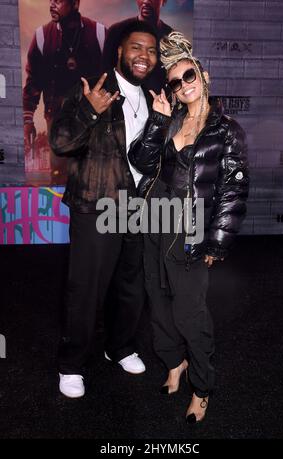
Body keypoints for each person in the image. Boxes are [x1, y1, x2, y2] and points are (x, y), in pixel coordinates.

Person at [129, 31, 249, 423]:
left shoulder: (227, 130)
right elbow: (143, 162)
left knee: (189, 314)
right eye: (176, 82)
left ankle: (203, 386)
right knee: (159, 305)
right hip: (155, 221)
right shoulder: (169, 120)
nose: (183, 86)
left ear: (204, 75)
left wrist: (216, 243)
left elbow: (232, 192)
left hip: (191, 232)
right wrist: (157, 121)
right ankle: (174, 363)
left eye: (189, 77)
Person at [49, 20, 158, 398]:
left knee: (131, 285)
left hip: (138, 204)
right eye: (136, 48)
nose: (143, 56)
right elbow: (61, 143)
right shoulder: (90, 88)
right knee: (87, 289)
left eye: (151, 50)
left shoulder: (153, 94)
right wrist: (89, 112)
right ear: (119, 52)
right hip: (96, 203)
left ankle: (120, 346)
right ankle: (71, 364)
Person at [23, 0, 106, 177]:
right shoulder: (42, 36)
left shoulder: (99, 33)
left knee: (94, 175)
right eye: (50, 0)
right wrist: (28, 119)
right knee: (59, 174)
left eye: (58, 0)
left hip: (94, 118)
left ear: (75, 4)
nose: (52, 4)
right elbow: (33, 82)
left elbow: (113, 77)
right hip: (57, 120)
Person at [102, 0, 172, 93]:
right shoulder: (116, 31)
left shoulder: (171, 38)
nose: (146, 1)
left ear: (164, 1)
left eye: (151, 51)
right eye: (135, 47)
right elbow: (105, 72)